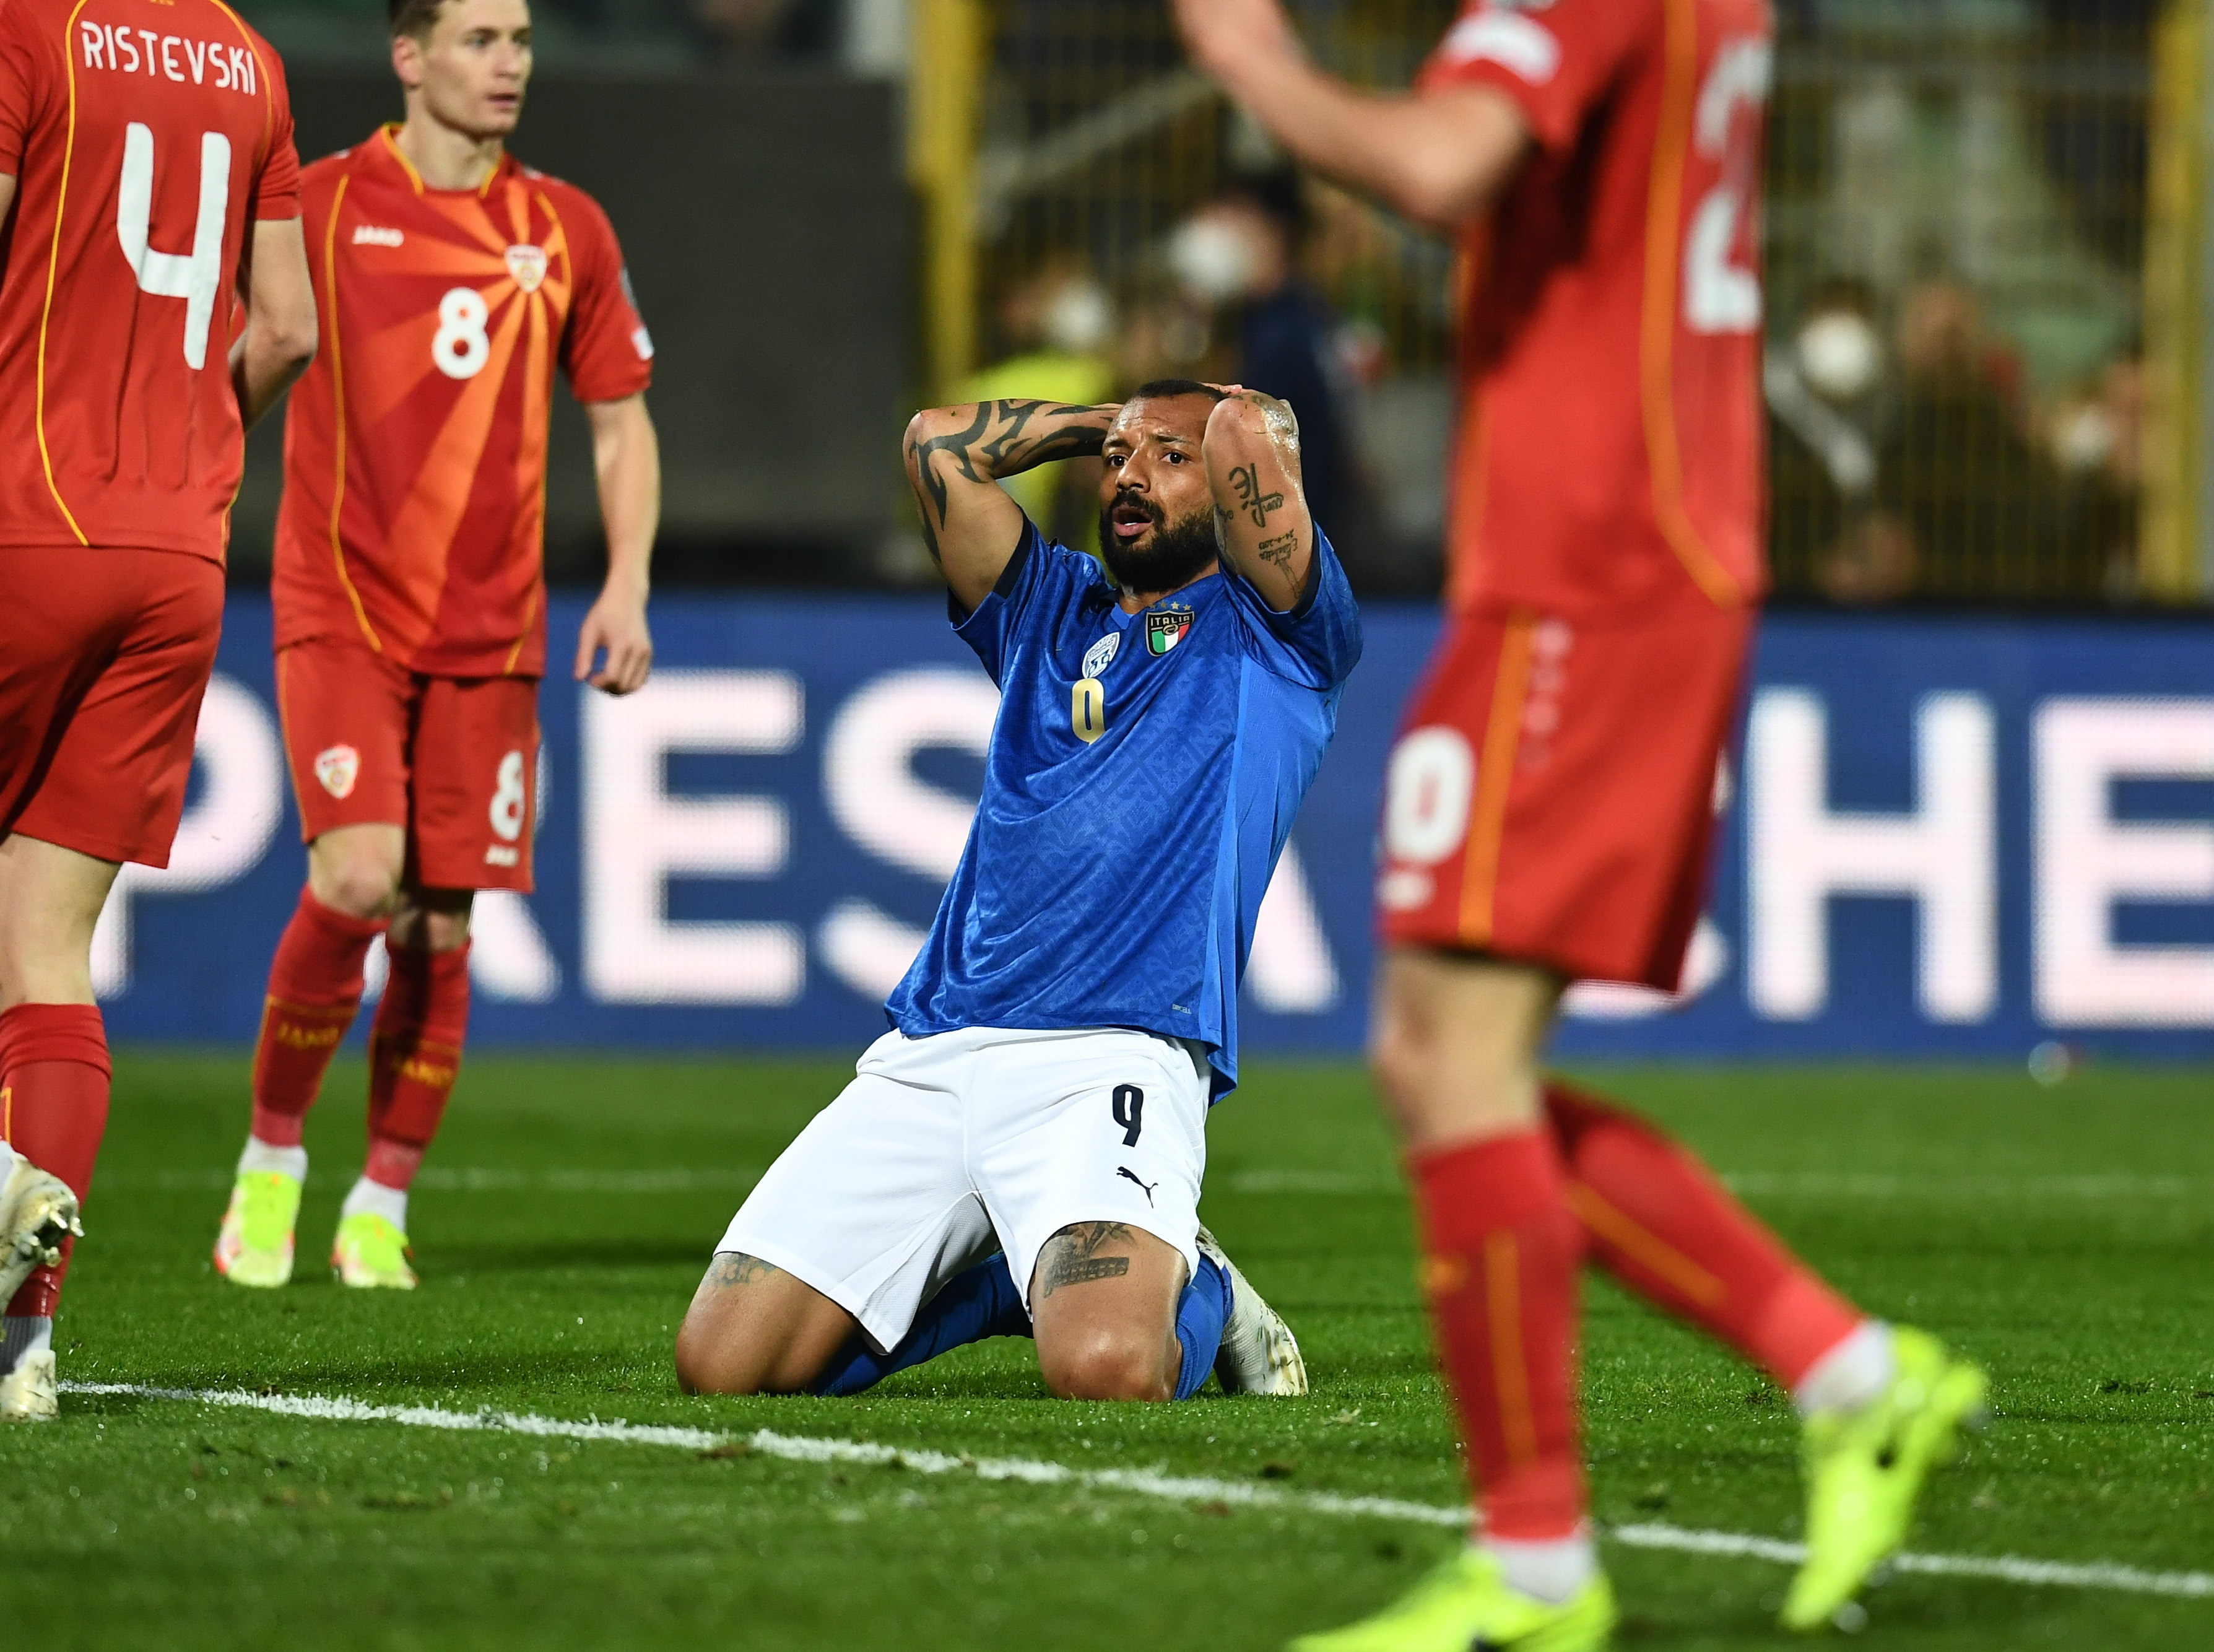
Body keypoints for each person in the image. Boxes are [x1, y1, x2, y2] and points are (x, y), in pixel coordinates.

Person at [1173, 0, 1988, 1644]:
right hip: (1607, 557)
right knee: (1439, 1057)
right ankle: (1839, 1378)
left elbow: (1442, 158)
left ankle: (1548, 1554)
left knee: (1450, 1058)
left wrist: (1252, 59)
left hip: (1596, 568)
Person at [673, 378, 1360, 1404]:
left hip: (1115, 1051)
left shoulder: (1274, 633)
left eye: (1169, 460)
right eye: (1118, 459)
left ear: (1224, 484)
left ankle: (1203, 1285)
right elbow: (936, 443)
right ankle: (1010, 1283)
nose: (1129, 476)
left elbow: (1253, 435)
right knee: (723, 1366)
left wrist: (1203, 428)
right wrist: (1117, 421)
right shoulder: (1048, 607)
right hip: (938, 1046)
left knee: (1107, 1371)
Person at [211, 0, 661, 1293]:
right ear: (408, 58)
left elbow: (622, 424)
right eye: (477, 38)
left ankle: (380, 1199)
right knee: (359, 877)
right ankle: (273, 1157)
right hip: (341, 604)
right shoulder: (325, 196)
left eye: (519, 37)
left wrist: (626, 584)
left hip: (494, 631)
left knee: (442, 925)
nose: (508, 61)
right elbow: (244, 342)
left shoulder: (564, 227)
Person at [0, 0, 318, 1420]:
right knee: (49, 954)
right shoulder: (248, 59)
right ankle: (21, 1348)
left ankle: (4, 1185)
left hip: (19, 516)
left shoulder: (30, 29)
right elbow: (290, 329)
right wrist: (192, 439)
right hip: (176, 555)